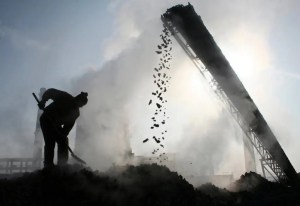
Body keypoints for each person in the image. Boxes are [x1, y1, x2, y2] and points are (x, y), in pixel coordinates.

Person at [38, 88, 88, 168]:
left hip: (56, 125)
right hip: (46, 120)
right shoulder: (65, 97)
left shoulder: (76, 113)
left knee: (63, 141)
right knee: (50, 142)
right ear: (78, 99)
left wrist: (63, 134)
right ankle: (48, 165)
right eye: (81, 104)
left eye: (82, 106)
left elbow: (68, 127)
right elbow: (50, 92)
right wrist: (43, 101)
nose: (80, 106)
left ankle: (62, 165)